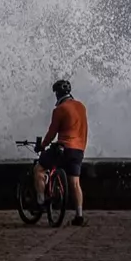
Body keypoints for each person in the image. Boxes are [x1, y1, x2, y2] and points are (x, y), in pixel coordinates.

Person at [34, 78, 88, 226]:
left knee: (39, 169)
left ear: (57, 94)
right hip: (79, 150)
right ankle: (79, 215)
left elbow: (52, 132)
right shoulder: (81, 107)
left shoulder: (60, 109)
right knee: (75, 182)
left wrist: (42, 146)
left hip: (64, 148)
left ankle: (40, 201)